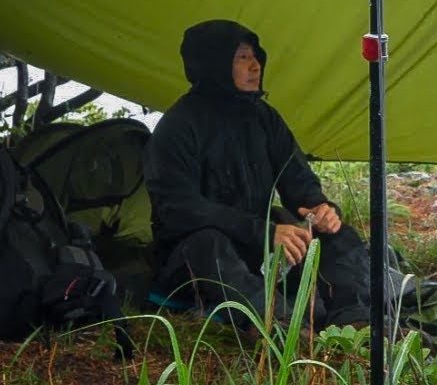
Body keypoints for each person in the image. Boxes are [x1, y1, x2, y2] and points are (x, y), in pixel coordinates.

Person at [144, 19, 372, 329]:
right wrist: (263, 232)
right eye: (242, 57)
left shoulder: (264, 118)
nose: (255, 66)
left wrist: (319, 208)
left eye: (255, 56)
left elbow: (297, 180)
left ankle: (356, 321)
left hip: (258, 246)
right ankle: (282, 327)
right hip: (194, 259)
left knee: (337, 235)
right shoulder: (178, 127)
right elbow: (179, 210)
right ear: (214, 64)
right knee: (208, 243)